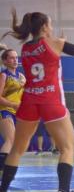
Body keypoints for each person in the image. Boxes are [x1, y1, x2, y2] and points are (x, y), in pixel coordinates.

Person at [0, 8, 74, 192]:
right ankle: (63, 190)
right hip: (50, 99)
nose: (51, 27)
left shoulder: (25, 49)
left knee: (17, 149)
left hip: (29, 101)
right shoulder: (54, 43)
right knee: (67, 146)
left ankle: (3, 187)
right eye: (50, 24)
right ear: (44, 27)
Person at [0, 46, 25, 177]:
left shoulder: (21, 77)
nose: (15, 60)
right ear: (5, 61)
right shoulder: (4, 75)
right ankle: (2, 170)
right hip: (4, 110)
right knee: (10, 140)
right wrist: (13, 105)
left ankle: (5, 169)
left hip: (16, 113)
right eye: (11, 57)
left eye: (16, 57)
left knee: (14, 143)